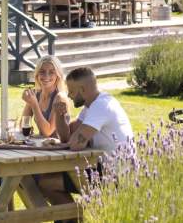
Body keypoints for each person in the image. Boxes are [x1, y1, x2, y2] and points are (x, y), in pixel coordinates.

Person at [40, 66, 133, 206]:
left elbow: (76, 143)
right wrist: (60, 116)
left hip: (116, 174)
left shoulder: (101, 106)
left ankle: (73, 218)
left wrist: (65, 143)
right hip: (102, 167)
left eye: (71, 91)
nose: (69, 96)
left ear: (83, 90)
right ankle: (72, 218)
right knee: (47, 179)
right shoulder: (90, 106)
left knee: (47, 182)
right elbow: (68, 137)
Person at [20, 55, 67, 138]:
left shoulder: (60, 98)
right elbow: (23, 125)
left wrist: (34, 104)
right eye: (42, 71)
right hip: (43, 146)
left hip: (59, 147)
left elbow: (48, 132)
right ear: (37, 74)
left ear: (57, 75)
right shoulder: (35, 94)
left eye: (51, 72)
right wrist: (29, 102)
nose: (46, 76)